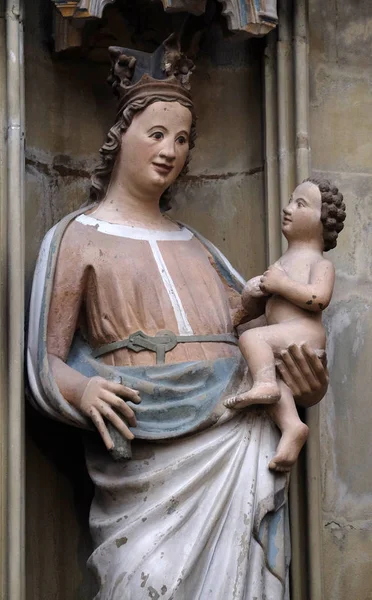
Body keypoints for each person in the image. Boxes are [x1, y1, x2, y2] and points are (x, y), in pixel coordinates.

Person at [27, 36, 329, 600]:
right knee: (146, 582)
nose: (170, 150)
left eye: (183, 139)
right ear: (121, 139)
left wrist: (305, 380)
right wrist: (86, 388)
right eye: (157, 133)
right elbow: (45, 359)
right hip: (146, 446)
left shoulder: (201, 248)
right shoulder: (78, 238)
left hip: (235, 435)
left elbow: (256, 335)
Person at [225, 179, 346, 472]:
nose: (287, 208)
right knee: (273, 379)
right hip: (283, 338)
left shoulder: (320, 263)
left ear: (322, 220)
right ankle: (292, 427)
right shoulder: (285, 260)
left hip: (304, 336)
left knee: (253, 341)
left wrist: (281, 283)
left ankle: (264, 383)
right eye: (290, 200)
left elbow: (318, 298)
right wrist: (252, 298)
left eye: (299, 204)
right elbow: (268, 312)